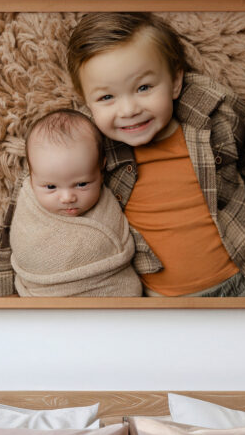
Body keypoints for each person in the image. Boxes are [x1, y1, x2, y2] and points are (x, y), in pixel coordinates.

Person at [0, 12, 245, 298]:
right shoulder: (82, 142)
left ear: (174, 81)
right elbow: (21, 217)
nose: (128, 110)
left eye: (144, 87)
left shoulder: (215, 118)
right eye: (107, 97)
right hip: (158, 300)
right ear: (87, 100)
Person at [9, 109, 159, 297]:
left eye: (81, 184)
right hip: (44, 297)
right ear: (31, 177)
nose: (67, 198)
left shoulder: (110, 199)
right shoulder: (27, 201)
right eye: (50, 187)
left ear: (101, 169)